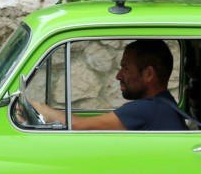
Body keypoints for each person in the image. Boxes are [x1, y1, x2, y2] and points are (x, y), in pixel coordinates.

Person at [31, 39, 188, 131]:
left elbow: (79, 126)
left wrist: (38, 107)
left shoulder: (148, 109)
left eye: (125, 68)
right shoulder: (163, 104)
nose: (118, 76)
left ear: (148, 74)